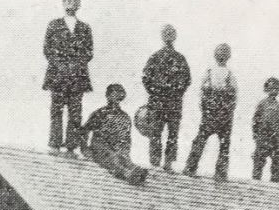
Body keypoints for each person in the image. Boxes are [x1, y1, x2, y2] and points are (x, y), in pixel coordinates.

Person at [42, 0, 93, 155]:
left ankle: (71, 146)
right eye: (68, 0)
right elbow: (47, 50)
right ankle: (55, 144)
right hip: (58, 76)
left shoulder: (84, 28)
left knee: (75, 112)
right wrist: (61, 66)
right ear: (63, 2)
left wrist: (75, 66)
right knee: (56, 111)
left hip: (77, 77)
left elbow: (89, 52)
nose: (71, 3)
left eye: (75, 0)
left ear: (79, 4)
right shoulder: (54, 25)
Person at [182, 43, 238, 181]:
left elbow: (234, 95)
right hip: (212, 112)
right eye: (220, 54)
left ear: (228, 57)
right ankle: (191, 167)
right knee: (201, 140)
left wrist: (226, 110)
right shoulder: (209, 72)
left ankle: (220, 173)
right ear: (215, 55)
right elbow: (202, 91)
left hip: (221, 113)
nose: (222, 56)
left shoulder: (229, 74)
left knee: (223, 144)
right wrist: (206, 107)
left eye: (224, 54)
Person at [141, 24, 191, 172]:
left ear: (174, 37)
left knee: (171, 134)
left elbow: (187, 80)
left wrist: (172, 93)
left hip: (170, 102)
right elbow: (146, 78)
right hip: (162, 101)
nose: (169, 38)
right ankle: (156, 162)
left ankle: (167, 162)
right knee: (157, 133)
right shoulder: (155, 57)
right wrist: (156, 93)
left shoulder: (179, 59)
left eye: (171, 35)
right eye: (166, 35)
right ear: (163, 37)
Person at [80, 83, 149, 185]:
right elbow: (84, 131)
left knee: (123, 158)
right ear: (108, 96)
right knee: (113, 159)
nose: (116, 97)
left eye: (119, 95)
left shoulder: (124, 116)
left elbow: (126, 138)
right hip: (100, 147)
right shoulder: (100, 113)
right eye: (113, 94)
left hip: (117, 147)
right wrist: (84, 148)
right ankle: (127, 174)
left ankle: (136, 171)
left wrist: (124, 151)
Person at [251, 78, 279, 183]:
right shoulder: (262, 104)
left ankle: (275, 183)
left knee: (277, 163)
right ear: (266, 89)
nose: (274, 91)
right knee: (259, 161)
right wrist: (256, 135)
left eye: (276, 88)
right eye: (271, 88)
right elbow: (255, 120)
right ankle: (256, 182)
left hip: (274, 137)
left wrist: (276, 135)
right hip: (263, 135)